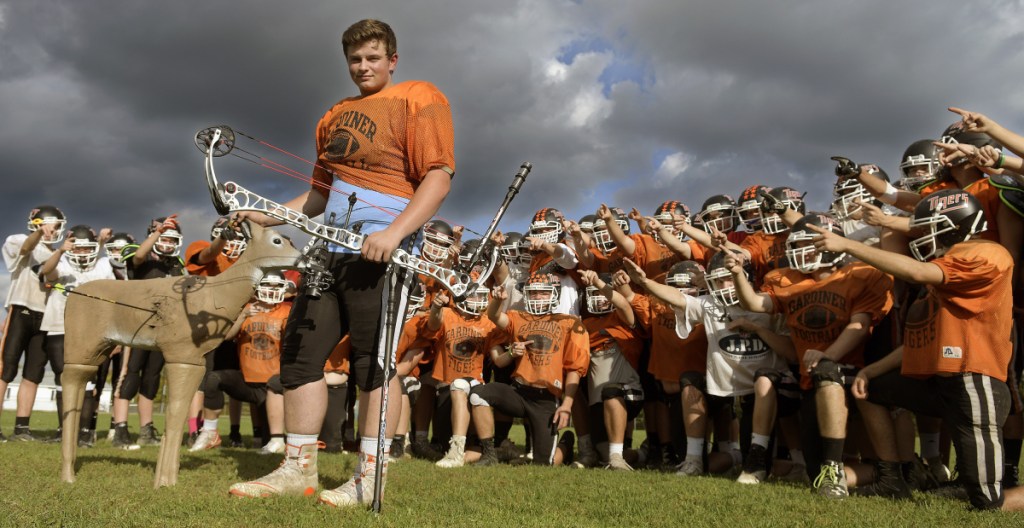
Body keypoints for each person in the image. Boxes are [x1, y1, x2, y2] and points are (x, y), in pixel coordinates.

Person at [229, 19, 454, 508]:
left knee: (373, 364)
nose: (363, 67)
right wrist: (264, 213)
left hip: (383, 253)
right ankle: (298, 468)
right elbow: (317, 194)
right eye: (355, 59)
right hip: (327, 252)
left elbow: (437, 176)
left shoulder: (420, 96)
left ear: (392, 59)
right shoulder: (332, 115)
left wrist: (394, 234)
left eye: (373, 57)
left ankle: (370, 475)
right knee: (300, 358)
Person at [810, 189, 1024, 511]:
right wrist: (871, 371)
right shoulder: (946, 268)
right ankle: (892, 478)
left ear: (956, 224)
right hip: (942, 381)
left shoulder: (988, 252)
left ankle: (976, 490)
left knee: (987, 503)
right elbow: (921, 339)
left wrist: (847, 244)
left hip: (974, 382)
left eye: (930, 226)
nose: (923, 235)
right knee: (871, 390)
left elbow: (917, 271)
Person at [38, 225, 116, 441]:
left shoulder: (102, 265)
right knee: (62, 378)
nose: (82, 253)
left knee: (88, 378)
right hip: (58, 326)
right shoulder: (61, 260)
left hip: (90, 330)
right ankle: (64, 430)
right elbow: (47, 271)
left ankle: (83, 433)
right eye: (77, 248)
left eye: (86, 248)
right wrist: (61, 250)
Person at [1, 205, 65, 441]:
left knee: (33, 374)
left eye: (56, 225)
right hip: (21, 308)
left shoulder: (57, 253)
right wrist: (40, 232)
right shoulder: (18, 238)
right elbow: (26, 248)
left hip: (45, 316)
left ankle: (21, 429)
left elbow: (55, 278)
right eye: (49, 223)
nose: (52, 229)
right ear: (35, 223)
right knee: (5, 370)